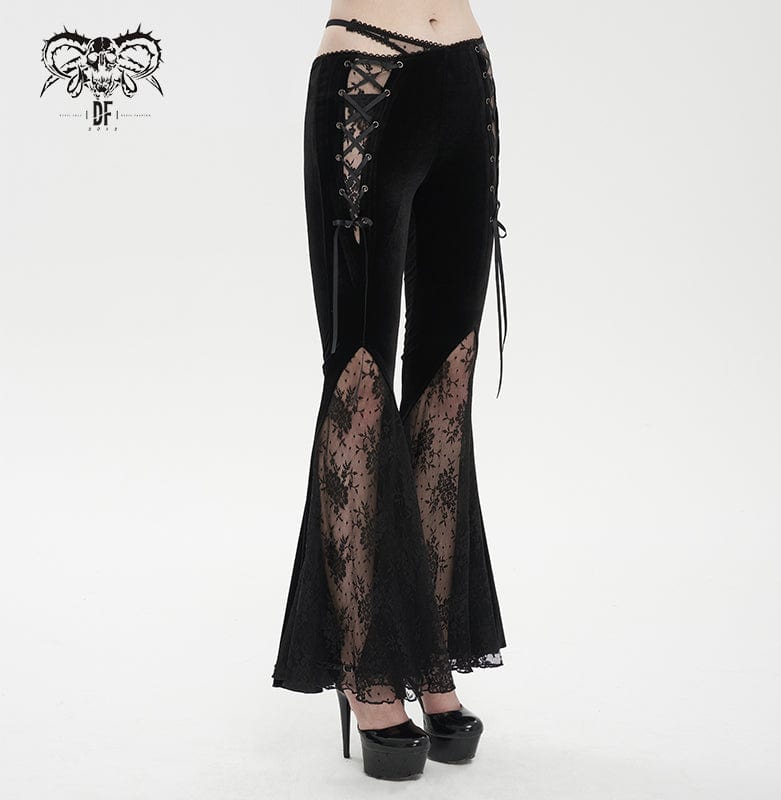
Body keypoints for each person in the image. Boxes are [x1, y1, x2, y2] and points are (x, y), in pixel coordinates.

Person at [271, 0, 509, 779]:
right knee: (360, 382)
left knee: (448, 379)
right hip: (365, 80)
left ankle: (429, 656)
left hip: (466, 76)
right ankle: (366, 666)